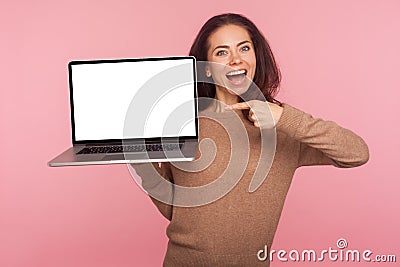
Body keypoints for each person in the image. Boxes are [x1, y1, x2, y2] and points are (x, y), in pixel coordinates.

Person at [131, 13, 369, 266]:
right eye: (222, 52)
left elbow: (356, 153)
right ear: (207, 68)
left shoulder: (281, 127)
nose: (236, 59)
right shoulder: (181, 125)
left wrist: (285, 118)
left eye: (244, 48)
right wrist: (144, 167)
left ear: (256, 56)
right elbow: (177, 213)